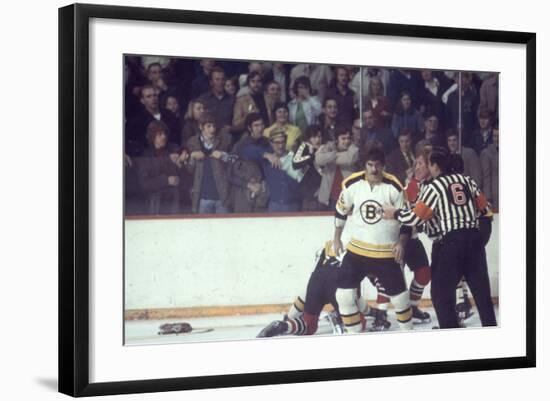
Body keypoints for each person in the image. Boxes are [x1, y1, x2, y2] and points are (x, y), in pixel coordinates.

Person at [382, 147, 497, 329]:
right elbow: (485, 210)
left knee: (440, 294)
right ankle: (492, 334)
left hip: (451, 243)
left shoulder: (435, 186)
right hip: (474, 240)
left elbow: (414, 218)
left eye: (427, 163)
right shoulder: (466, 180)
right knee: (483, 296)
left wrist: (394, 213)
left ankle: (449, 331)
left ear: (434, 166)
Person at [333, 141, 413, 333]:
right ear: (365, 165)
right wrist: (336, 238)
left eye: (377, 165)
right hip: (357, 252)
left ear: (383, 165)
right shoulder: (352, 184)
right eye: (370, 164)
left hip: (385, 253)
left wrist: (402, 244)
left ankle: (410, 336)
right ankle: (354, 339)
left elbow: (407, 220)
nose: (374, 169)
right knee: (343, 296)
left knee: (401, 300)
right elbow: (340, 212)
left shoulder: (394, 186)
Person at [257, 241, 346, 337]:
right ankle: (338, 318)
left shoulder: (326, 248)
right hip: (337, 288)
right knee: (354, 319)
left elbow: (313, 279)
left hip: (316, 284)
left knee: (307, 324)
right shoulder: (352, 251)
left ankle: (283, 325)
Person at [241, 128, 303, 213]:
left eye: (283, 142)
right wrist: (266, 155)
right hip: (273, 205)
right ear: (270, 143)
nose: (280, 146)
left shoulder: (294, 158)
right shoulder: (267, 159)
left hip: (292, 205)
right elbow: (246, 151)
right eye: (277, 142)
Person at [185, 113, 234, 214]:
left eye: (214, 126)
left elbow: (234, 163)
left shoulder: (225, 141)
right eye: (208, 126)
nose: (212, 130)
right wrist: (192, 157)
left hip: (222, 196)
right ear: (201, 127)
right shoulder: (192, 142)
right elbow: (189, 171)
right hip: (202, 197)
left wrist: (223, 156)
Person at [137, 120, 188, 215]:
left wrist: (181, 163)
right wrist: (166, 180)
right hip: (155, 205)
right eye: (159, 134)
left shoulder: (173, 149)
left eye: (164, 133)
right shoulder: (147, 155)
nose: (164, 136)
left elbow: (184, 175)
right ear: (152, 137)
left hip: (174, 203)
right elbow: (144, 184)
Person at [125, 84, 181, 156]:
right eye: (149, 96)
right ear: (142, 100)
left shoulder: (169, 114)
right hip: (148, 158)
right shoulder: (137, 120)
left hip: (172, 154)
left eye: (155, 95)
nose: (153, 98)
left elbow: (177, 136)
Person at [230, 113, 269, 213]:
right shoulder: (239, 146)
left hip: (263, 193)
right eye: (256, 125)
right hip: (243, 194)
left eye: (262, 125)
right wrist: (248, 185)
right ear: (249, 128)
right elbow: (230, 174)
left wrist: (264, 182)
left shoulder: (267, 143)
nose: (260, 128)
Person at [315, 126, 359, 210]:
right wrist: (336, 154)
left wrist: (329, 157)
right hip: (329, 197)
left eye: (348, 138)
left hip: (348, 197)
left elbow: (349, 159)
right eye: (343, 138)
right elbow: (318, 160)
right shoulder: (329, 146)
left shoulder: (354, 149)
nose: (347, 141)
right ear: (337, 139)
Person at [292, 125, 324, 211]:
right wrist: (312, 156)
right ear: (309, 138)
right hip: (306, 191)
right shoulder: (304, 146)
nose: (317, 140)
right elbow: (295, 163)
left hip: (322, 190)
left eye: (319, 136)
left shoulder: (325, 148)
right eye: (314, 137)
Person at [233, 71, 274, 136]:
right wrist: (248, 117)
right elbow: (236, 124)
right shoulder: (241, 101)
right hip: (250, 136)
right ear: (248, 84)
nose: (256, 84)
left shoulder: (269, 98)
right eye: (253, 81)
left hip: (269, 134)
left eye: (258, 81)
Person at [197, 66, 235, 136]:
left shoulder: (233, 100)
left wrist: (232, 128)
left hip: (227, 137)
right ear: (211, 82)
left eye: (223, 79)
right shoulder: (203, 99)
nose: (220, 82)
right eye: (217, 79)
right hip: (207, 137)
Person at [480, 126, 499, 210]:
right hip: (496, 196)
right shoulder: (487, 153)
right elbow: (486, 177)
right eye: (495, 136)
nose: (497, 139)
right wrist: (488, 198)